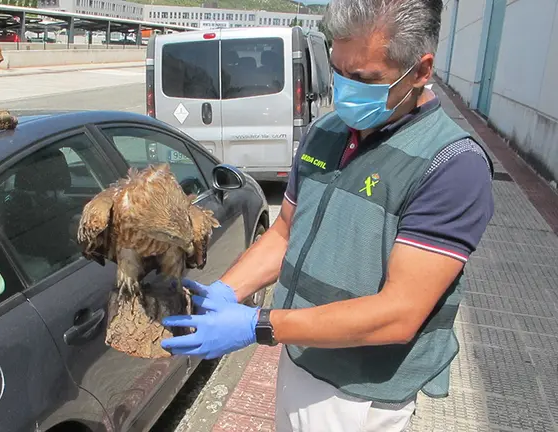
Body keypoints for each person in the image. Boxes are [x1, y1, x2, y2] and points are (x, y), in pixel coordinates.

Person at [160, 0, 496, 431]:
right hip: (301, 351)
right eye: (338, 71)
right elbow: (285, 232)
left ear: (420, 70)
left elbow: (400, 311)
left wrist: (257, 325)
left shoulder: (451, 164)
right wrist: (227, 291)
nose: (345, 90)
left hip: (361, 392)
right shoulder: (327, 131)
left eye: (363, 79)